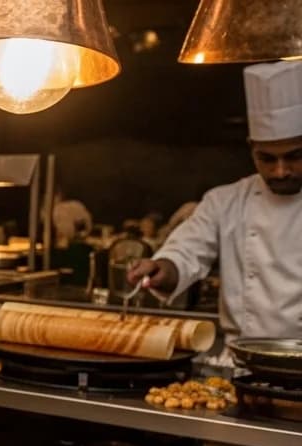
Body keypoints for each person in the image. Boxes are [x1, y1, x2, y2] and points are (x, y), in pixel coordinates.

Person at [129, 61, 302, 342]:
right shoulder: (226, 201)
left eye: (294, 156)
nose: (280, 171)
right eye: (267, 159)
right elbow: (187, 249)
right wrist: (164, 268)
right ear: (251, 149)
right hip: (243, 359)